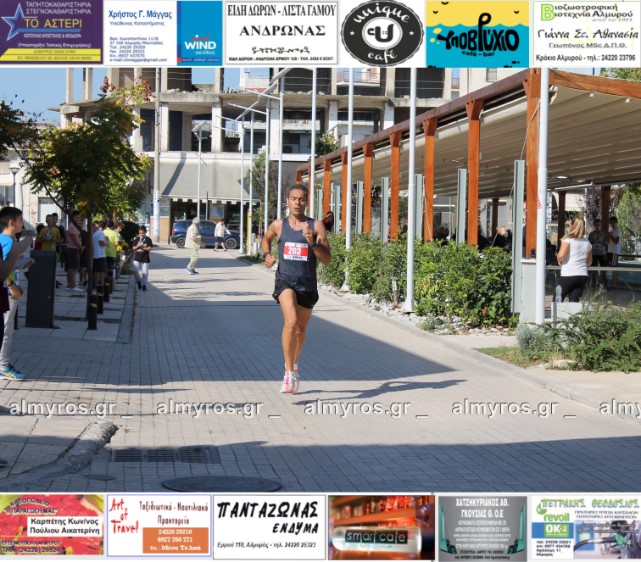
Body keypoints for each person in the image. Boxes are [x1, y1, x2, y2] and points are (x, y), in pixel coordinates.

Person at [261, 185, 331, 395]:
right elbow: (266, 239)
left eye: (301, 199)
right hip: (285, 281)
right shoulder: (279, 225)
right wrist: (266, 255)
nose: (297, 202)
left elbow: (327, 260)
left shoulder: (316, 226)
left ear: (306, 202)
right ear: (287, 201)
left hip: (307, 284)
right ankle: (288, 372)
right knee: (290, 322)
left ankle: (294, 364)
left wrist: (313, 244)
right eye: (294, 198)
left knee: (300, 331)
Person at [0, 207, 30, 380]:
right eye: (20, 220)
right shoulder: (8, 241)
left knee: (7, 329)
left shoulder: (7, 240)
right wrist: (12, 286)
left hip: (9, 289)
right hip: (6, 292)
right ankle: (3, 366)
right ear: (11, 222)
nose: (22, 223)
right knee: (6, 329)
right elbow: (2, 268)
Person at [556, 217, 592, 302]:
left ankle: (557, 312)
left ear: (572, 226)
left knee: (557, 301)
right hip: (582, 275)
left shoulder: (568, 240)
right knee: (574, 302)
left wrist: (558, 259)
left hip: (569, 274)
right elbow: (589, 262)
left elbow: (561, 256)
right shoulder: (587, 243)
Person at [65, 210, 84, 292]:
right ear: (72, 218)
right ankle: (72, 285)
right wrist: (81, 247)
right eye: (76, 217)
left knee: (72, 268)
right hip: (73, 249)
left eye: (79, 217)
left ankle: (70, 285)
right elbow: (75, 240)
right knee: (73, 268)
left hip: (74, 248)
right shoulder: (72, 226)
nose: (78, 219)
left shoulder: (75, 226)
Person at [131, 225, 152, 290]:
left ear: (145, 232)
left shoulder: (148, 239)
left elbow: (149, 248)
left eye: (143, 233)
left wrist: (143, 247)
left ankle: (144, 285)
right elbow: (133, 248)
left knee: (145, 273)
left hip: (145, 258)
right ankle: (138, 281)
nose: (141, 234)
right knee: (134, 270)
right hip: (137, 257)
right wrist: (138, 246)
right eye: (140, 233)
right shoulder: (137, 239)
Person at [588, 218, 608, 288]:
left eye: (598, 224)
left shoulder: (603, 233)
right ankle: (594, 284)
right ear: (594, 225)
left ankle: (603, 284)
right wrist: (592, 241)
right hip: (594, 253)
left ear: (600, 225)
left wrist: (601, 242)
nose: (597, 226)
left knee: (603, 269)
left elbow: (606, 243)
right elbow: (588, 243)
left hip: (602, 253)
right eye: (596, 224)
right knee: (593, 269)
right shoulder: (591, 234)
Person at [92, 221, 108, 289]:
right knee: (102, 271)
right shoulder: (101, 233)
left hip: (95, 254)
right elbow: (101, 243)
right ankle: (101, 284)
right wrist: (106, 244)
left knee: (97, 270)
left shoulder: (95, 233)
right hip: (101, 255)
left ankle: (96, 284)